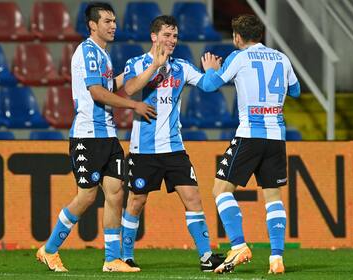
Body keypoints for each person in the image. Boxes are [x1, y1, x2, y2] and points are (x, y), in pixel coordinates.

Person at [36, 2, 156, 273]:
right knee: (87, 197)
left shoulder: (102, 54)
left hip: (108, 136)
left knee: (115, 193)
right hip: (87, 136)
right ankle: (50, 249)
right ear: (92, 25)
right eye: (106, 21)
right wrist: (134, 105)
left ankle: (112, 259)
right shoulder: (88, 51)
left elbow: (107, 86)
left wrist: (132, 74)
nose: (113, 25)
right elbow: (97, 93)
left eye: (114, 20)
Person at [119, 15, 224, 272]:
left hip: (174, 149)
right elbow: (130, 89)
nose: (172, 40)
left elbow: (208, 86)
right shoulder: (137, 63)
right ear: (154, 37)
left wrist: (212, 72)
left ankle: (206, 257)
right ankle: (125, 257)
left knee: (193, 198)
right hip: (144, 150)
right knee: (136, 201)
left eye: (175, 36)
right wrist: (155, 65)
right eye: (167, 35)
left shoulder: (182, 67)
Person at [200, 15, 301, 274]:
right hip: (276, 136)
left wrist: (211, 69)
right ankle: (276, 258)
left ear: (237, 37)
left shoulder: (239, 57)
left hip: (250, 134)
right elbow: (297, 91)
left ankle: (239, 245)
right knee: (273, 197)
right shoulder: (282, 58)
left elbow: (210, 86)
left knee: (221, 190)